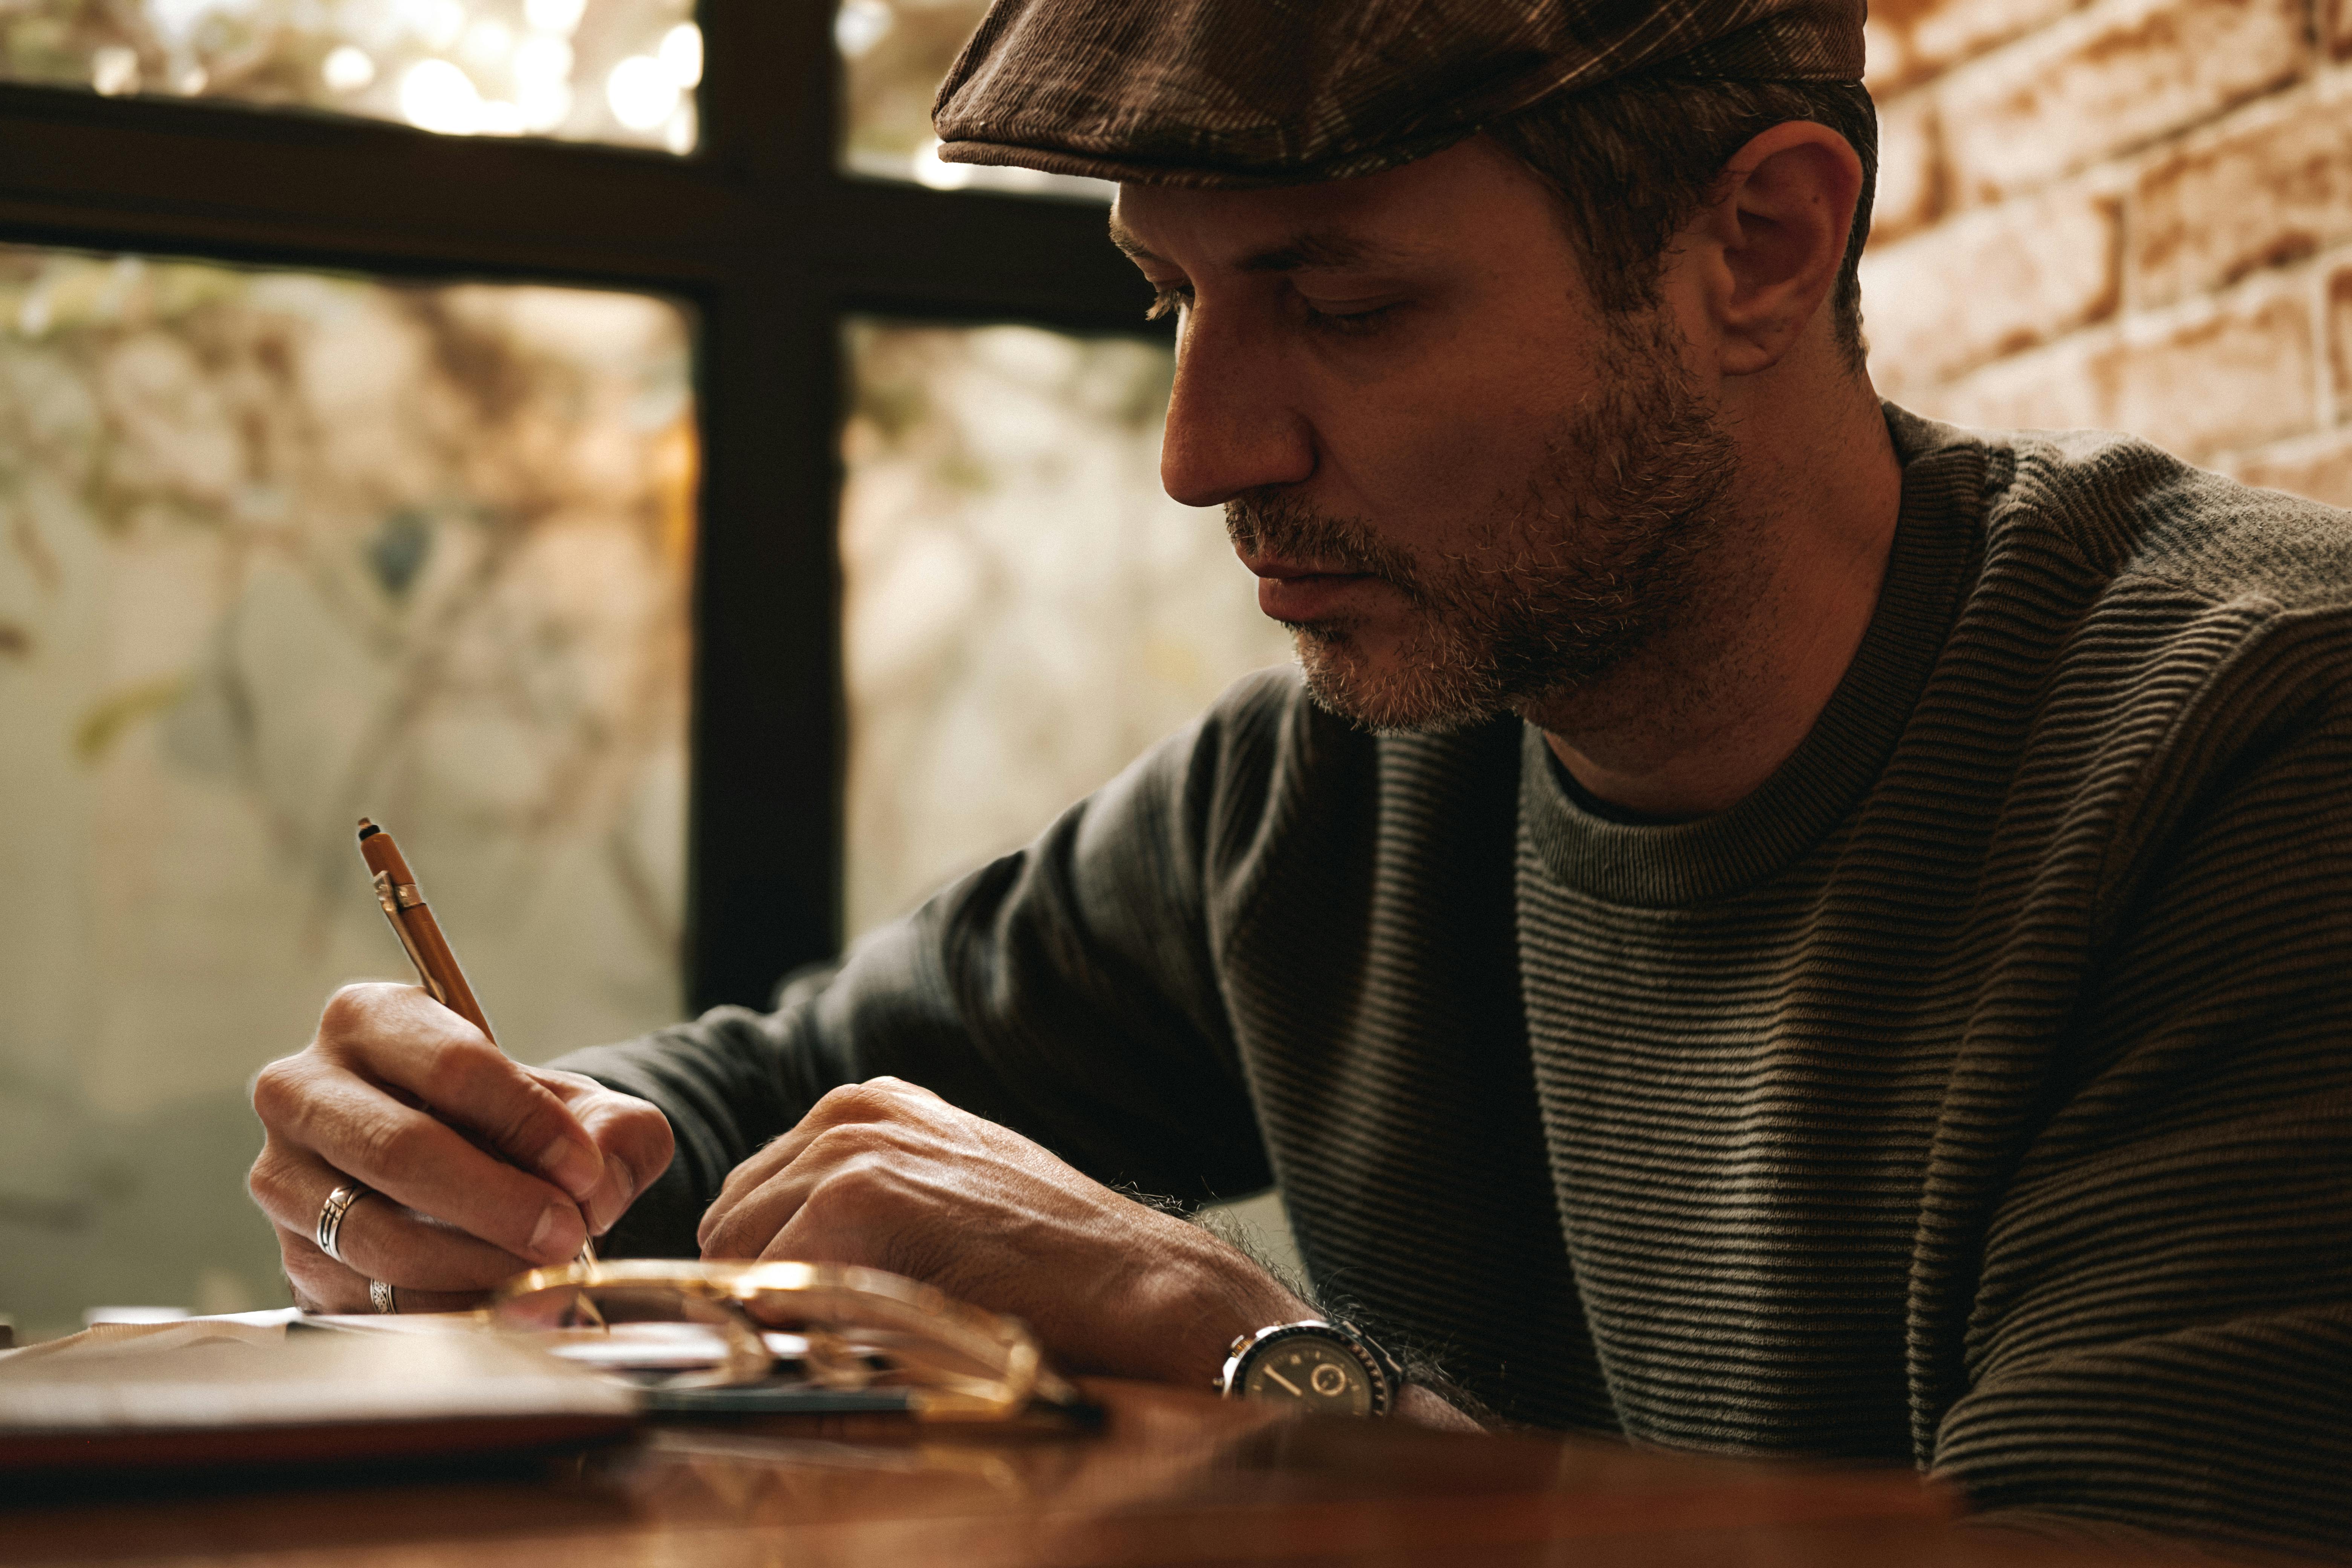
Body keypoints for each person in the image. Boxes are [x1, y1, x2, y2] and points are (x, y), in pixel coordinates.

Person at [248, 0, 2352, 1551]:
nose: (1202, 452)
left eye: (1336, 301)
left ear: (1761, 244)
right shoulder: (1334, 796)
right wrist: (473, 1160)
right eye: (1168, 298)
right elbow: (727, 1114)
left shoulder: (2253, 759)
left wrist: (1242, 1350)